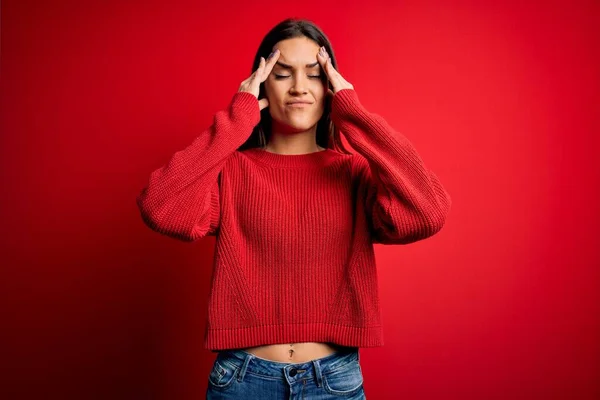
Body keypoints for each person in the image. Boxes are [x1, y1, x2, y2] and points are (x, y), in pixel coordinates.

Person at [136, 17, 451, 399]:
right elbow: (160, 207)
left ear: (331, 86)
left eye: (315, 75)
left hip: (334, 382)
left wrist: (356, 116)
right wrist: (237, 121)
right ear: (261, 83)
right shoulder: (233, 171)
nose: (299, 87)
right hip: (242, 381)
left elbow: (428, 213)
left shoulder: (353, 174)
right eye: (283, 74)